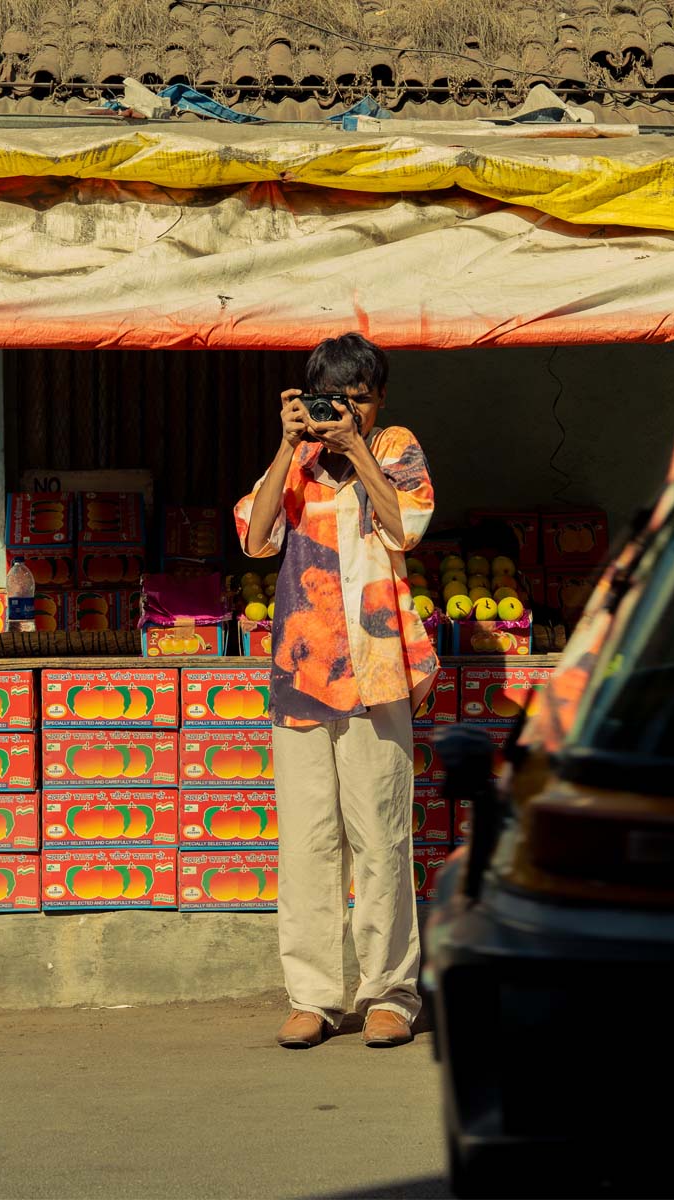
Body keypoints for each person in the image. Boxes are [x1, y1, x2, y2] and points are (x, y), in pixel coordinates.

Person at [234, 332, 439, 1050]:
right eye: (330, 400)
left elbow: (407, 528)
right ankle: (314, 996)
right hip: (301, 675)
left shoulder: (393, 448)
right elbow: (255, 539)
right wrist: (289, 447)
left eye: (356, 399)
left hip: (377, 670)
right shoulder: (299, 462)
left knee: (380, 837)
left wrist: (356, 448)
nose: (341, 411)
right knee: (309, 842)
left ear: (378, 400)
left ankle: (390, 993)